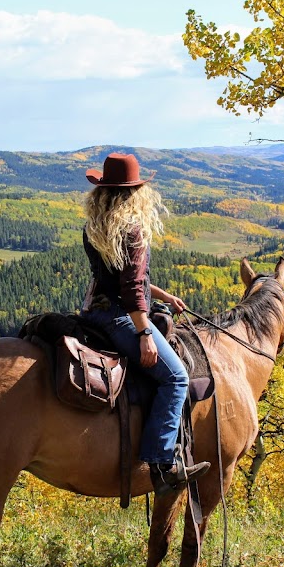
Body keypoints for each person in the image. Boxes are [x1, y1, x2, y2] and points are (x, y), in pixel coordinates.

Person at [80, 152, 210, 496]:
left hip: (93, 312)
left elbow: (116, 277)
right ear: (137, 192)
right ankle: (162, 464)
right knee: (176, 378)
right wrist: (143, 334)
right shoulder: (133, 228)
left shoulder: (96, 225)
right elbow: (131, 288)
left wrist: (162, 295)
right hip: (122, 317)